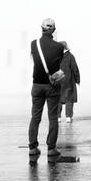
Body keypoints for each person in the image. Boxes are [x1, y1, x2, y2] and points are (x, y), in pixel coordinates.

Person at [30, 17, 65, 157]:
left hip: (37, 85)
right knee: (52, 117)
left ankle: (32, 147)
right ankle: (51, 149)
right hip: (52, 86)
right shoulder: (59, 47)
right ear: (53, 30)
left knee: (35, 117)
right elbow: (58, 65)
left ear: (42, 28)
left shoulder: (34, 44)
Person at [59, 42, 81, 122]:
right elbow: (75, 69)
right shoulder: (70, 56)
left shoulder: (55, 56)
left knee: (58, 99)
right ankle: (68, 117)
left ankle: (58, 117)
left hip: (58, 79)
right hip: (68, 80)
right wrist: (77, 79)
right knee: (69, 98)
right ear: (66, 47)